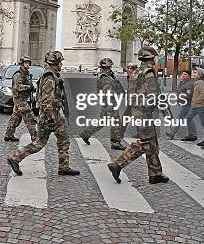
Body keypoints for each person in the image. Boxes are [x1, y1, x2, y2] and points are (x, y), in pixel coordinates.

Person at [7, 51, 80, 176]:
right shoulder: (49, 77)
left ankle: (64, 166)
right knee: (39, 143)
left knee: (64, 139)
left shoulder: (54, 75)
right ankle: (15, 158)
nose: (62, 64)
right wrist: (50, 118)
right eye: (60, 62)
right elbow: (47, 100)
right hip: (50, 115)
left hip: (55, 114)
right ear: (55, 63)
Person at [108, 46, 169, 184]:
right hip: (144, 112)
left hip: (136, 110)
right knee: (146, 142)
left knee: (152, 142)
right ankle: (118, 165)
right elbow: (154, 95)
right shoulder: (148, 73)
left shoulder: (135, 73)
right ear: (151, 58)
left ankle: (155, 174)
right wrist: (165, 112)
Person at [80, 58, 127, 150]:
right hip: (109, 103)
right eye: (110, 66)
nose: (111, 68)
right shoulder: (105, 78)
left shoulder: (107, 76)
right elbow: (108, 93)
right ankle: (115, 143)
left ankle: (86, 133)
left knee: (103, 121)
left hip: (106, 103)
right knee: (116, 122)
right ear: (108, 67)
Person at [4, 55, 37, 142]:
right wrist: (28, 87)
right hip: (20, 99)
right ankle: (35, 137)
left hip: (22, 98)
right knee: (29, 117)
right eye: (26, 62)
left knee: (15, 118)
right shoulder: (18, 74)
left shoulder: (26, 73)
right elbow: (17, 87)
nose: (28, 64)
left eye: (28, 62)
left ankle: (8, 135)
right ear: (22, 64)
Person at [166, 70, 196, 140]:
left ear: (189, 76)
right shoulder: (182, 83)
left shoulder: (190, 84)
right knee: (189, 119)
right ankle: (193, 134)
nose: (183, 75)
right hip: (182, 103)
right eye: (183, 74)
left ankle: (172, 132)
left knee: (179, 117)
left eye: (185, 74)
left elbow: (189, 94)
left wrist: (181, 97)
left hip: (186, 103)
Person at [185, 67, 204, 146]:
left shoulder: (200, 82)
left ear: (199, 74)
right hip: (195, 106)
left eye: (195, 72)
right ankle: (192, 134)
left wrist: (196, 101)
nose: (193, 73)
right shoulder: (197, 82)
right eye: (194, 72)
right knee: (188, 119)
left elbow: (203, 94)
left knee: (203, 123)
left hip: (200, 106)